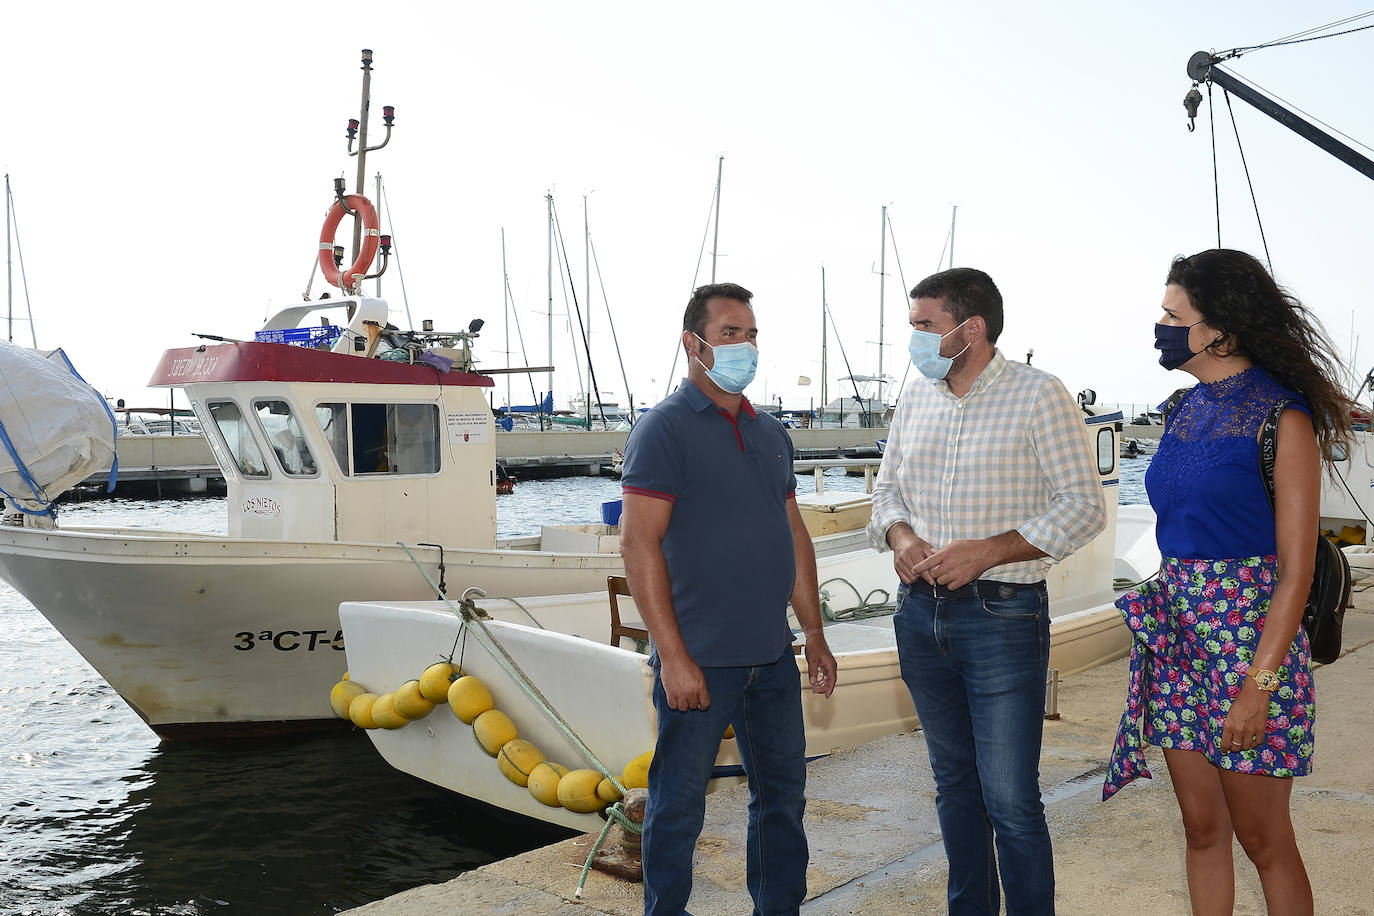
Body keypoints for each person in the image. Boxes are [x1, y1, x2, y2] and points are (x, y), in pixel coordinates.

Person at [1103, 249, 1353, 915]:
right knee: (1202, 829)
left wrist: (1257, 687)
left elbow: (1297, 570)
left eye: (1171, 313)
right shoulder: (1182, 409)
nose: (1159, 324)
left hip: (1251, 645)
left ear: (1216, 330)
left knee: (1265, 839)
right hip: (1181, 642)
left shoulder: (1282, 418)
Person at [867, 267, 1107, 915]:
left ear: (970, 330)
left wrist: (987, 551)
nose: (913, 339)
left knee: (1010, 800)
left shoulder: (1039, 395)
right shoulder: (915, 397)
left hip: (1003, 616)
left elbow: (1083, 508)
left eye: (925, 326)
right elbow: (884, 492)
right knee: (954, 789)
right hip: (918, 617)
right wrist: (901, 537)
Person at [619, 282, 838, 916]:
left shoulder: (771, 433)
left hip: (772, 657)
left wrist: (815, 634)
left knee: (781, 801)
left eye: (751, 334)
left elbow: (792, 534)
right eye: (729, 335)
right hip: (701, 659)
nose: (744, 346)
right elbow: (638, 547)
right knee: (678, 803)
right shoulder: (663, 430)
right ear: (694, 345)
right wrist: (674, 656)